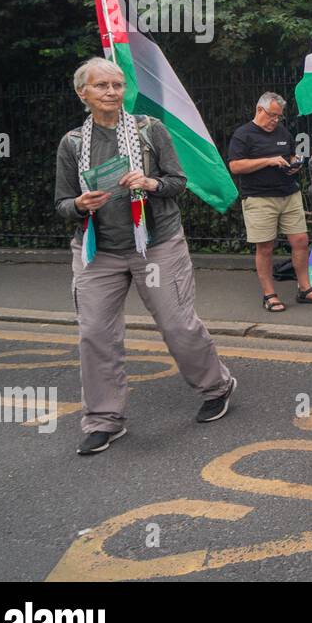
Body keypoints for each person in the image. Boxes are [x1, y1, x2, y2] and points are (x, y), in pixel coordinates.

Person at [54, 57, 236, 456]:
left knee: (176, 324)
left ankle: (216, 386)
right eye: (101, 86)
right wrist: (81, 204)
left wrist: (150, 182)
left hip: (156, 244)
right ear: (82, 93)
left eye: (117, 85)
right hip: (97, 250)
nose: (111, 92)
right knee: (95, 334)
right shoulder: (71, 144)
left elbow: (178, 183)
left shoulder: (150, 130)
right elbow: (62, 203)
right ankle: (104, 420)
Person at [228, 92, 312, 312]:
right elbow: (235, 166)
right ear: (259, 110)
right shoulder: (243, 135)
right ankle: (269, 294)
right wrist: (268, 161)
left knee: (301, 240)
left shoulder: (282, 132)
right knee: (265, 246)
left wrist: (295, 162)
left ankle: (305, 288)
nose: (275, 120)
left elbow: (291, 154)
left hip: (289, 193)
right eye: (272, 115)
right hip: (259, 197)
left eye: (278, 117)